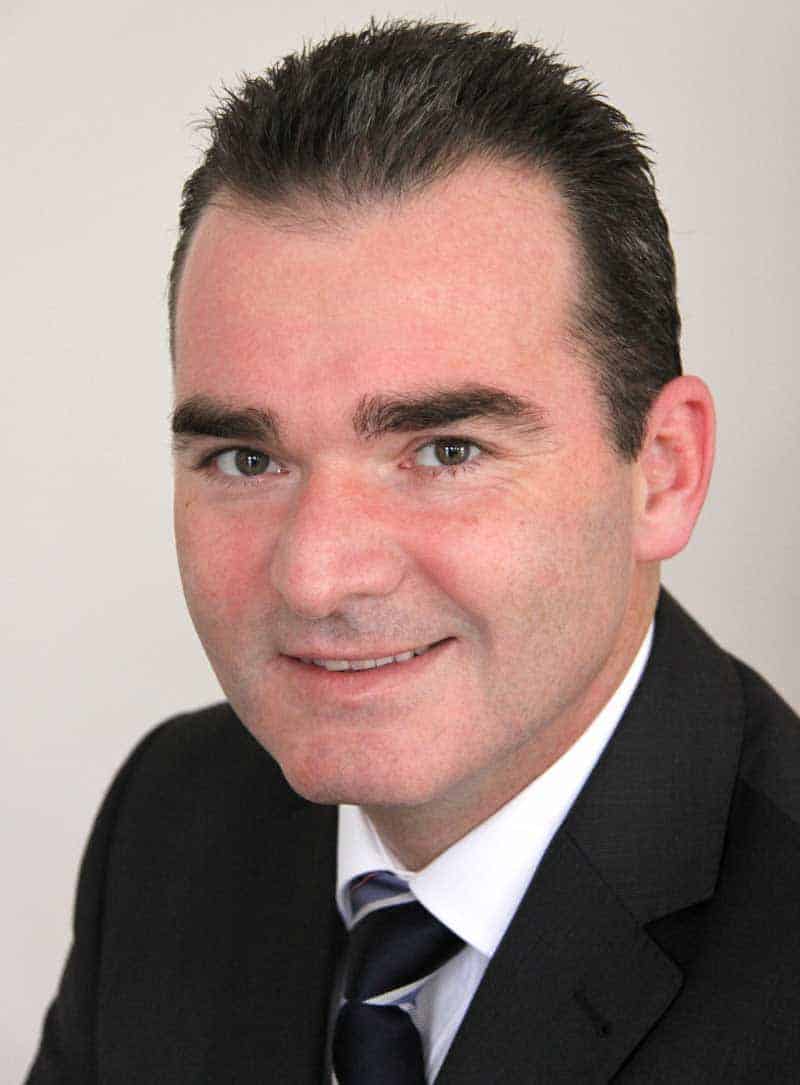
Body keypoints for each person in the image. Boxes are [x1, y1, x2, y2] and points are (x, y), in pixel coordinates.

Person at [26, 18, 799, 1084]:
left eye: (444, 450)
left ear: (661, 471)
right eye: (247, 459)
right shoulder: (174, 817)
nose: (316, 575)